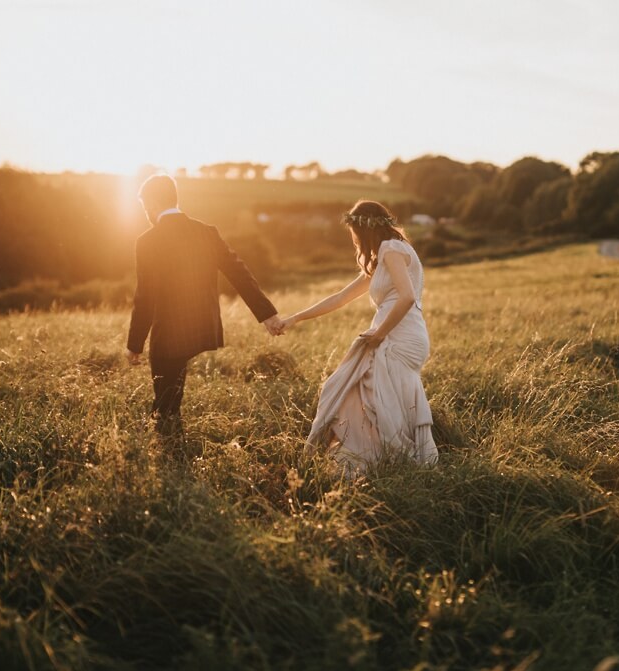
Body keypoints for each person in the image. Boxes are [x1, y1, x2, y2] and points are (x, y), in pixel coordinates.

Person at [278, 200, 438, 474]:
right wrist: (295, 318)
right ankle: (379, 458)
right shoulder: (385, 257)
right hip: (397, 333)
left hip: (399, 336)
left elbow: (408, 297)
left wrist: (379, 334)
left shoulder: (391, 249)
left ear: (363, 230)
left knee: (366, 394)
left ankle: (392, 460)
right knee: (370, 396)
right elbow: (340, 298)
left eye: (353, 231)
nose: (353, 238)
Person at [126, 174, 284, 440]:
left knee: (164, 400)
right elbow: (238, 273)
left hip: (169, 332)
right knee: (173, 385)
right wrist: (267, 314)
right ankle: (169, 435)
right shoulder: (206, 232)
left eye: (145, 207)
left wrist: (134, 344)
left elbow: (145, 297)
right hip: (201, 325)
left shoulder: (147, 241)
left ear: (152, 203)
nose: (146, 214)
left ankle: (168, 446)